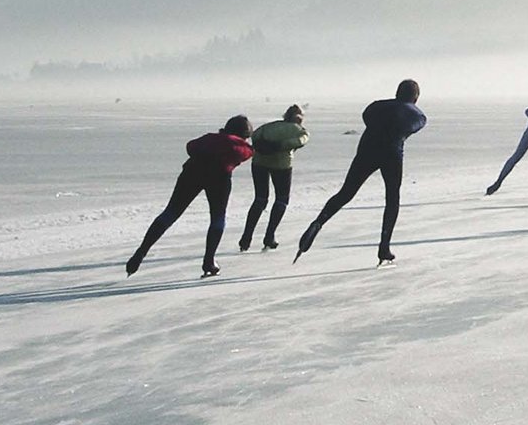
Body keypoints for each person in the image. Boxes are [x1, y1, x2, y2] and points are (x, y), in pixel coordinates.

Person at [295, 80, 426, 265]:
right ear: (416, 98)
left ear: (397, 92)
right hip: (392, 153)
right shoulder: (417, 114)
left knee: (346, 192)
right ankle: (384, 246)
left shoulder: (376, 106)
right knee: (392, 198)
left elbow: (367, 116)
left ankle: (318, 223)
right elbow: (412, 127)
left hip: (367, 149)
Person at [126, 115, 254, 278]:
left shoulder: (209, 138)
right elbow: (246, 153)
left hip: (192, 172)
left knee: (170, 213)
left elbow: (191, 146)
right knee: (217, 217)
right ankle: (209, 261)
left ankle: (141, 252)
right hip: (219, 178)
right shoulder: (239, 144)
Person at [239, 104, 308, 252]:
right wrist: (280, 146)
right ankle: (269, 236)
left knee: (260, 198)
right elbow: (300, 141)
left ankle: (246, 237)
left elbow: (255, 135)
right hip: (282, 165)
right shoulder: (299, 130)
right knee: (282, 199)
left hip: (259, 162)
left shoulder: (270, 126)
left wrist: (263, 147)